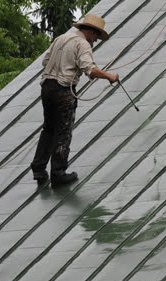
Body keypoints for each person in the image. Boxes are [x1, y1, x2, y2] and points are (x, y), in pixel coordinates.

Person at [30, 13, 119, 187]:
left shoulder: (61, 38)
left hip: (46, 87)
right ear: (91, 32)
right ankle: (58, 173)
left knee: (48, 128)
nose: (95, 41)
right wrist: (109, 76)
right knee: (64, 131)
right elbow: (90, 70)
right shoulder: (83, 44)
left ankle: (39, 169)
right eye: (96, 37)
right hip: (63, 90)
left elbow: (45, 61)